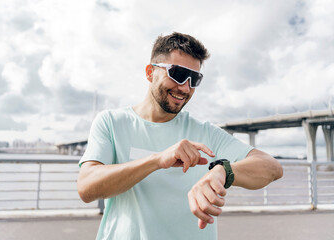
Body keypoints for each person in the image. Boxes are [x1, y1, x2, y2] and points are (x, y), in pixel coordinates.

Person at [77, 32, 283, 240]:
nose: (185, 87)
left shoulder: (205, 133)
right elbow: (86, 187)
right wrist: (156, 160)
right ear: (150, 73)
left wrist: (222, 171)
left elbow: (271, 167)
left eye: (194, 79)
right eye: (177, 73)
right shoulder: (111, 123)